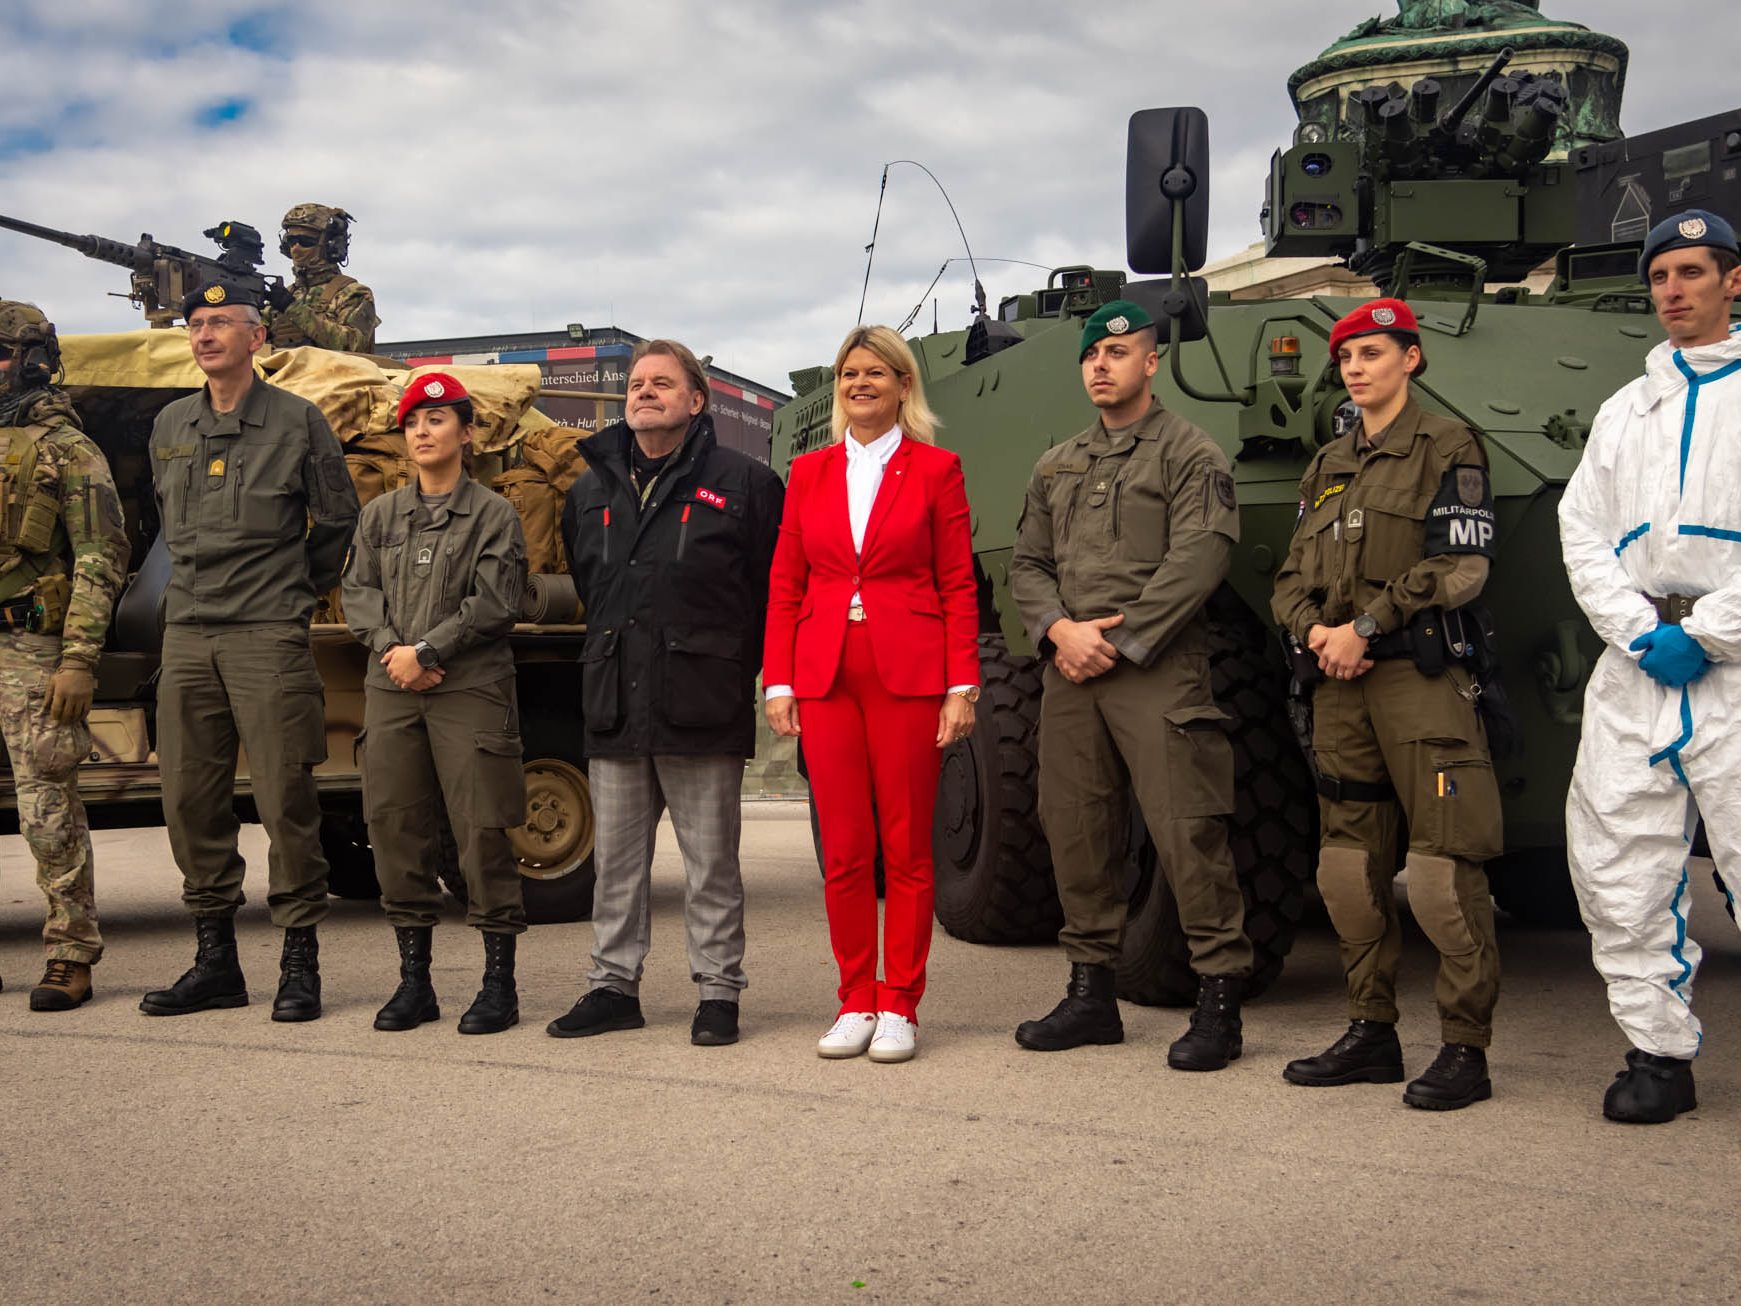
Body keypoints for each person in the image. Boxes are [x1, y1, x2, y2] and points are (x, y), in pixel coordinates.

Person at [1270, 297, 1503, 1111]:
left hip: (1417, 681)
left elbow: (1462, 568)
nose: (1357, 368)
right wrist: (1317, 633)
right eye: (1346, 358)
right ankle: (1370, 1031)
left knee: (1441, 871)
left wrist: (1367, 625)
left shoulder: (1447, 445)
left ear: (1411, 358)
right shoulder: (1326, 462)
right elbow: (1292, 576)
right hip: (1339, 685)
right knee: (1346, 868)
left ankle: (1463, 1050)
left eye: (1373, 352)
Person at [1009, 300, 1251, 1071]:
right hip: (1072, 670)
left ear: (1151, 362)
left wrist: (1123, 640)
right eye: (1091, 356)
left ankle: (1218, 1003)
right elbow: (1026, 565)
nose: (1101, 366)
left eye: (1118, 353)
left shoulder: (1189, 453)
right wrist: (1058, 632)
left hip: (1156, 669)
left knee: (1188, 830)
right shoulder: (1057, 463)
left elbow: (1201, 556)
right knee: (1075, 829)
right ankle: (1090, 997)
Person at [1559, 208, 1741, 1124]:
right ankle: (1657, 1057)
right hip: (1636, 670)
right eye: (1661, 276)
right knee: (1618, 863)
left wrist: (1707, 633)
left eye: (1692, 273)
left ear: (1732, 282)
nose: (1673, 291)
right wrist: (1638, 634)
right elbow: (1582, 533)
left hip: (1734, 668)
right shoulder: (1622, 412)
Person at [548, 339, 784, 1047]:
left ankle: (718, 994)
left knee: (711, 865)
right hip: (616, 697)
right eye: (636, 384)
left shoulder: (743, 482)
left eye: (661, 383)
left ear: (696, 400)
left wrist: (740, 665)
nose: (644, 393)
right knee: (615, 865)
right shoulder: (590, 487)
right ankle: (612, 988)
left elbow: (771, 591)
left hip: (699, 697)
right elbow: (592, 585)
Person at [139, 280, 360, 1022]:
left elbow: (336, 522)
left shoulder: (298, 421)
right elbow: (164, 524)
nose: (204, 335)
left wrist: (295, 595)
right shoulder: (171, 422)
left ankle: (300, 962)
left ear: (256, 337)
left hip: (266, 632)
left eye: (220, 324)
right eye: (196, 324)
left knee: (285, 800)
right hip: (189, 635)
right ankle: (216, 963)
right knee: (190, 803)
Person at [764, 324, 978, 1064]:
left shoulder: (935, 469)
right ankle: (854, 998)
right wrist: (780, 680)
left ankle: (901, 1003)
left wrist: (961, 685)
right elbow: (786, 581)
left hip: (909, 673)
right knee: (848, 851)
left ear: (902, 385)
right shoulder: (809, 472)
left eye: (876, 373)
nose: (860, 384)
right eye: (850, 373)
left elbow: (956, 580)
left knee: (907, 847)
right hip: (825, 674)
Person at [343, 372, 530, 1034]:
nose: (421, 432)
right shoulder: (380, 516)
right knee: (395, 827)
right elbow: (358, 592)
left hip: (468, 687)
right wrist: (395, 650)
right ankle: (414, 983)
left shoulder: (492, 514)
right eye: (413, 424)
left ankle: (498, 985)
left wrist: (424, 653)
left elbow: (494, 601)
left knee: (481, 829)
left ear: (466, 433)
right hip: (392, 686)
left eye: (436, 421)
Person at [0, 301, 129, 1010]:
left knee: (46, 806)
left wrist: (79, 657)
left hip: (30, 643)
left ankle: (71, 952)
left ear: (30, 359)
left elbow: (101, 553)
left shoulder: (67, 449)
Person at [262, 203, 379, 353]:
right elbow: (253, 349)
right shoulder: (283, 297)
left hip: (336, 375)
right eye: (291, 241)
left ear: (331, 245)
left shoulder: (353, 293)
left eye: (305, 241)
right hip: (281, 375)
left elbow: (352, 345)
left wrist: (292, 308)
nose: (295, 248)